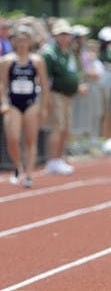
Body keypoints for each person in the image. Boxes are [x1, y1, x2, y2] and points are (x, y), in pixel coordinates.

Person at [0, 24, 50, 187]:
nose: (22, 43)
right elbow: (2, 84)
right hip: (13, 103)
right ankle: (17, 165)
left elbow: (43, 84)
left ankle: (28, 174)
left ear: (30, 41)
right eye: (19, 40)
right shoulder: (7, 61)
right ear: (14, 42)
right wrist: (4, 102)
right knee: (13, 138)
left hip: (31, 103)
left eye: (25, 40)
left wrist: (43, 107)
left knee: (30, 140)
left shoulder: (37, 61)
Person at [42, 19, 87, 176]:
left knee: (66, 129)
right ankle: (52, 160)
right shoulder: (50, 53)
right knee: (57, 127)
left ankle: (60, 158)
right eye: (62, 34)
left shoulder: (68, 53)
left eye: (67, 34)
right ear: (55, 35)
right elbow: (45, 79)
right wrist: (46, 100)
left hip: (68, 96)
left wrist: (78, 86)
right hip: (56, 94)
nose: (65, 37)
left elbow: (73, 73)